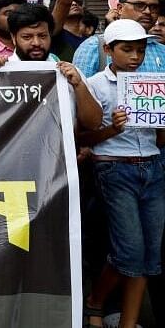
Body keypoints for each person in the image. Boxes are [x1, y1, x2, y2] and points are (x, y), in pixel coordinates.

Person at [80, 20, 162, 328]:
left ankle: (128, 323)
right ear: (107, 50)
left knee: (149, 255)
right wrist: (112, 128)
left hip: (153, 168)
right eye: (126, 50)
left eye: (140, 50)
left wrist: (161, 118)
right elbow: (82, 138)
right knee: (130, 251)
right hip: (114, 168)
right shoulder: (94, 85)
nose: (135, 57)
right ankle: (96, 302)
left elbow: (161, 140)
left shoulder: (154, 84)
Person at [74, 0, 164, 77]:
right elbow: (78, 87)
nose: (148, 11)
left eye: (154, 7)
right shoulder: (94, 46)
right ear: (120, 8)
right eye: (139, 5)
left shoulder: (162, 51)